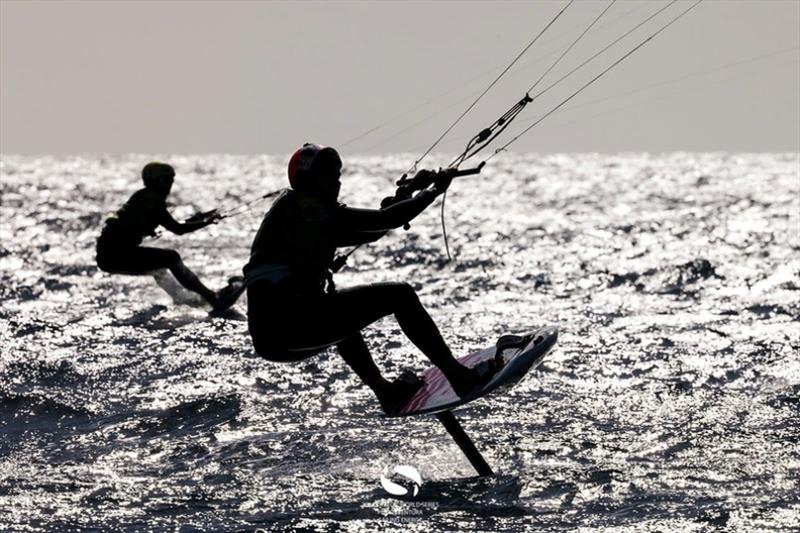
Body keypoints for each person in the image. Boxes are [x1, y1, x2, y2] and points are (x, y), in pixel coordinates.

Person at [244, 143, 503, 415]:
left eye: (337, 174)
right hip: (291, 328)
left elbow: (373, 229)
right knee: (399, 295)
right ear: (309, 180)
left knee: (340, 316)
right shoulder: (310, 210)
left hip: (273, 339)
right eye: (328, 175)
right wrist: (435, 190)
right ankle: (458, 375)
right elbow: (389, 219)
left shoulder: (295, 210)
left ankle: (386, 392)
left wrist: (407, 193)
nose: (337, 182)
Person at [96, 162, 235, 311]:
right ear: (159, 182)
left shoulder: (142, 196)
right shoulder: (152, 201)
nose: (170, 185)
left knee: (159, 268)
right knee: (171, 258)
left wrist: (201, 218)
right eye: (169, 181)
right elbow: (178, 229)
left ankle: (189, 300)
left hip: (109, 258)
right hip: (116, 256)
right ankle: (212, 298)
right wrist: (207, 222)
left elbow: (171, 223)